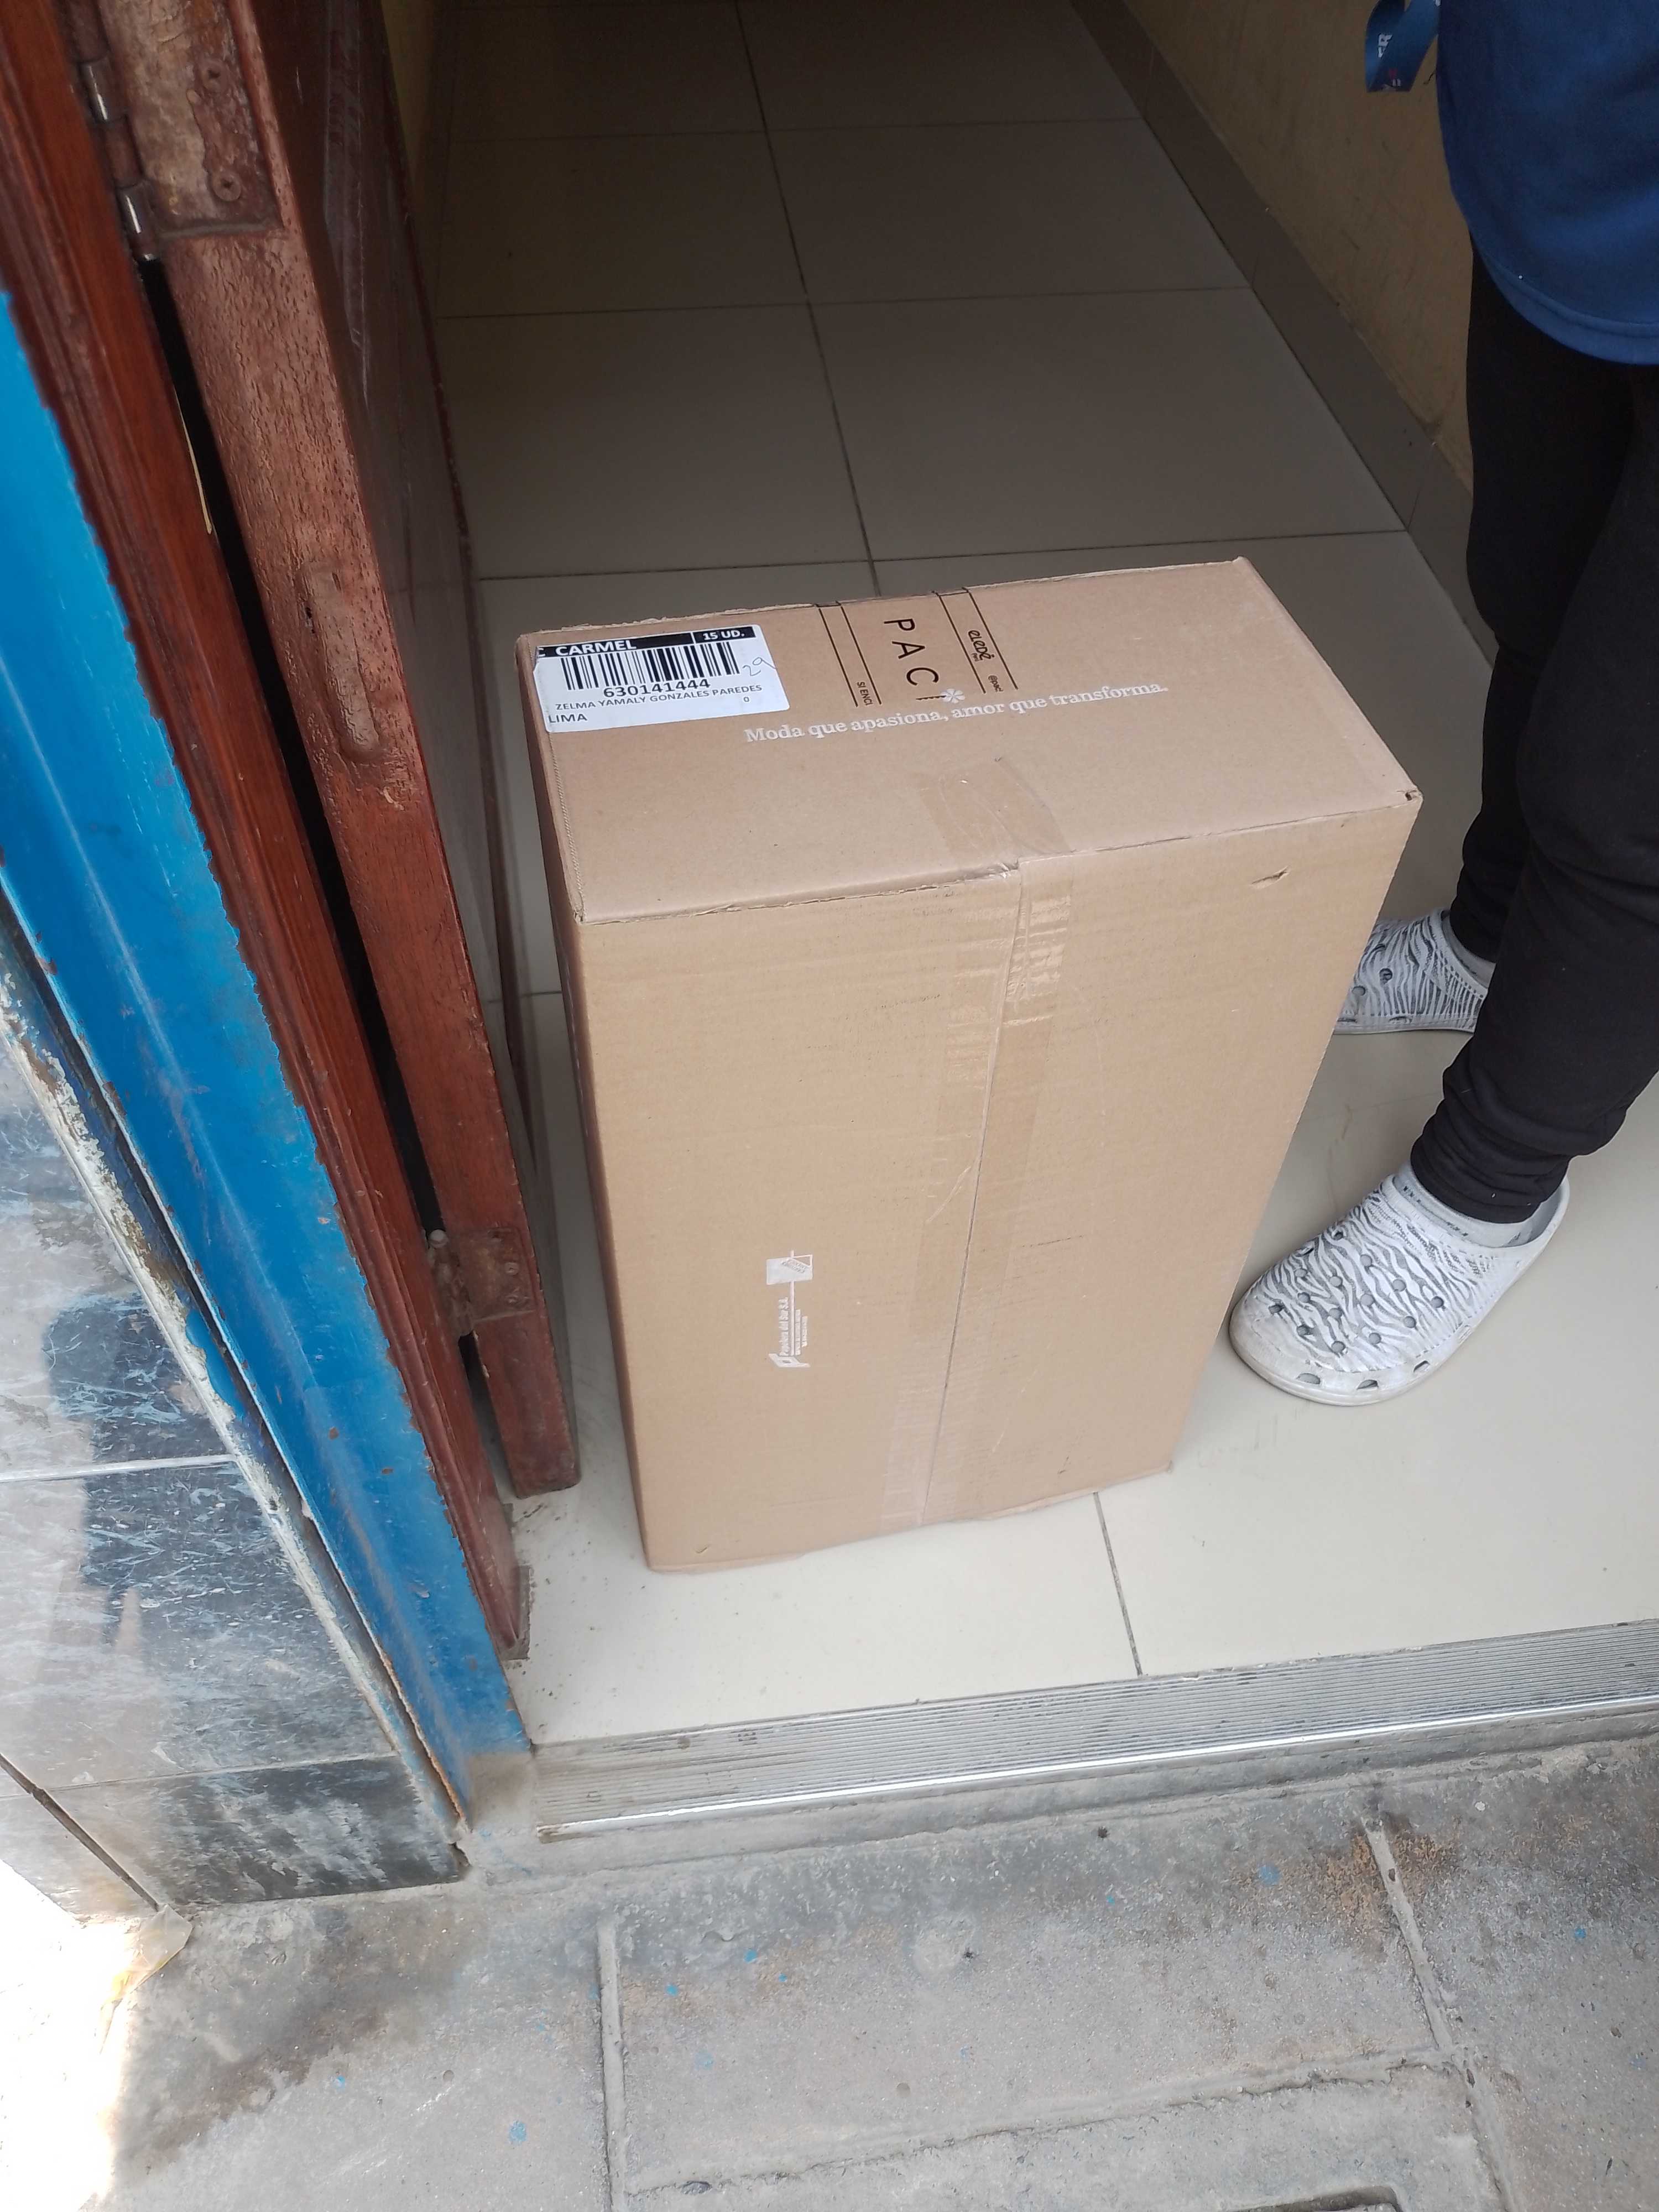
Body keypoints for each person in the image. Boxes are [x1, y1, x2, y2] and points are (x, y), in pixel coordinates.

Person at [1230, 1, 1659, 1402]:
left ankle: (1490, 1185)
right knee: (1534, 591)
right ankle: (1487, 937)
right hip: (1562, 158)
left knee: (1628, 778)